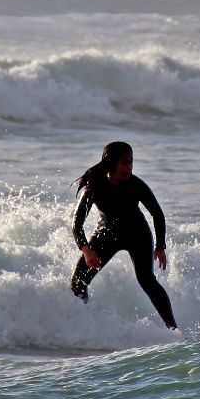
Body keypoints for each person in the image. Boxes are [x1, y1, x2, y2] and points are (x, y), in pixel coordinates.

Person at [70, 141, 178, 329]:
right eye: (124, 163)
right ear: (111, 163)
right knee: (78, 283)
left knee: (146, 280)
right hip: (106, 235)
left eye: (131, 162)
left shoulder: (136, 185)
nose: (129, 167)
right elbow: (77, 223)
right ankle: (83, 324)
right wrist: (86, 249)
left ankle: (173, 329)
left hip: (137, 235)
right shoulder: (95, 185)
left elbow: (157, 214)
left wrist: (160, 246)